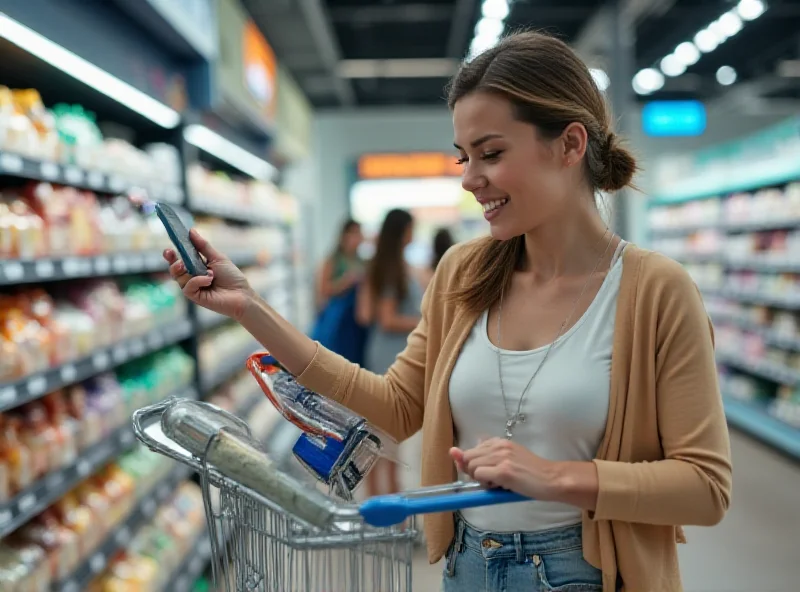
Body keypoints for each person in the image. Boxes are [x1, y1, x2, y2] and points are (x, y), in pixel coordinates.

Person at [163, 30, 732, 592]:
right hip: (470, 566)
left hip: (588, 571)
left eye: (491, 153)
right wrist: (249, 307)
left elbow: (705, 487)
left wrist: (554, 478)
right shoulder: (464, 274)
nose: (469, 179)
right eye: (464, 157)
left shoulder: (656, 291)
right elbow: (395, 407)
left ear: (570, 145)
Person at [356, 209, 423, 497]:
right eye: (410, 229)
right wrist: (425, 322)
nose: (413, 235)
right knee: (387, 439)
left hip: (384, 355)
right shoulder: (392, 268)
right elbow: (386, 318)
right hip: (390, 358)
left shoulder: (383, 265)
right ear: (402, 232)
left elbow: (364, 314)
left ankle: (383, 509)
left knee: (382, 439)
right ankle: (389, 512)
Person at [309, 219, 367, 364]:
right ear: (343, 236)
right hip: (337, 320)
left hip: (356, 320)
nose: (358, 238)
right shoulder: (333, 260)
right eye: (354, 233)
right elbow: (323, 289)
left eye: (359, 234)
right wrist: (346, 282)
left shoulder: (361, 260)